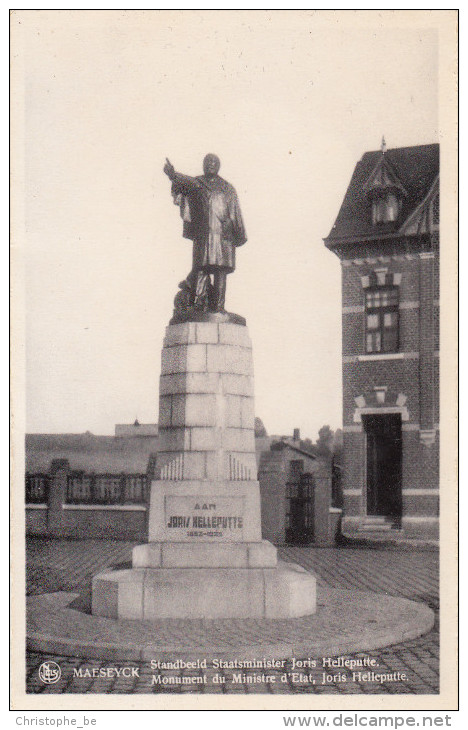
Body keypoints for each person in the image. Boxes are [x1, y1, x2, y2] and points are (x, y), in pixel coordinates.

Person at [164, 154, 247, 312]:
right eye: (207, 162)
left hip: (224, 236)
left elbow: (235, 213)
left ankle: (219, 307)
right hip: (204, 234)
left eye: (214, 162)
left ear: (218, 166)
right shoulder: (198, 183)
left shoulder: (228, 188)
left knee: (220, 271)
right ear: (203, 165)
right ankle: (199, 304)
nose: (210, 164)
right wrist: (172, 174)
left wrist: (235, 231)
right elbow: (183, 181)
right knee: (201, 268)